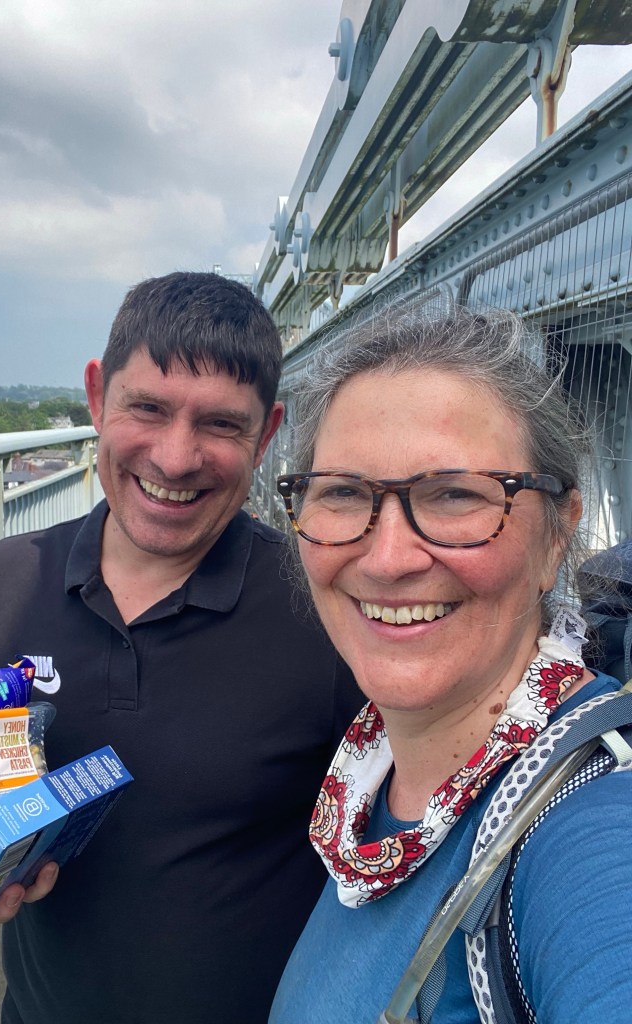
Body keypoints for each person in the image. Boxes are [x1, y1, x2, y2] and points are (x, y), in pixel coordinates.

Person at [0, 272, 362, 1024]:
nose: (176, 459)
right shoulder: (1, 585)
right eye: (147, 408)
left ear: (267, 434)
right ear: (96, 396)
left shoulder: (324, 610)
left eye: (221, 424)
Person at [267, 305, 632, 1023]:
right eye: (343, 492)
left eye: (456, 494)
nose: (389, 559)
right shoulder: (370, 782)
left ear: (558, 535)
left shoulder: (588, 827)